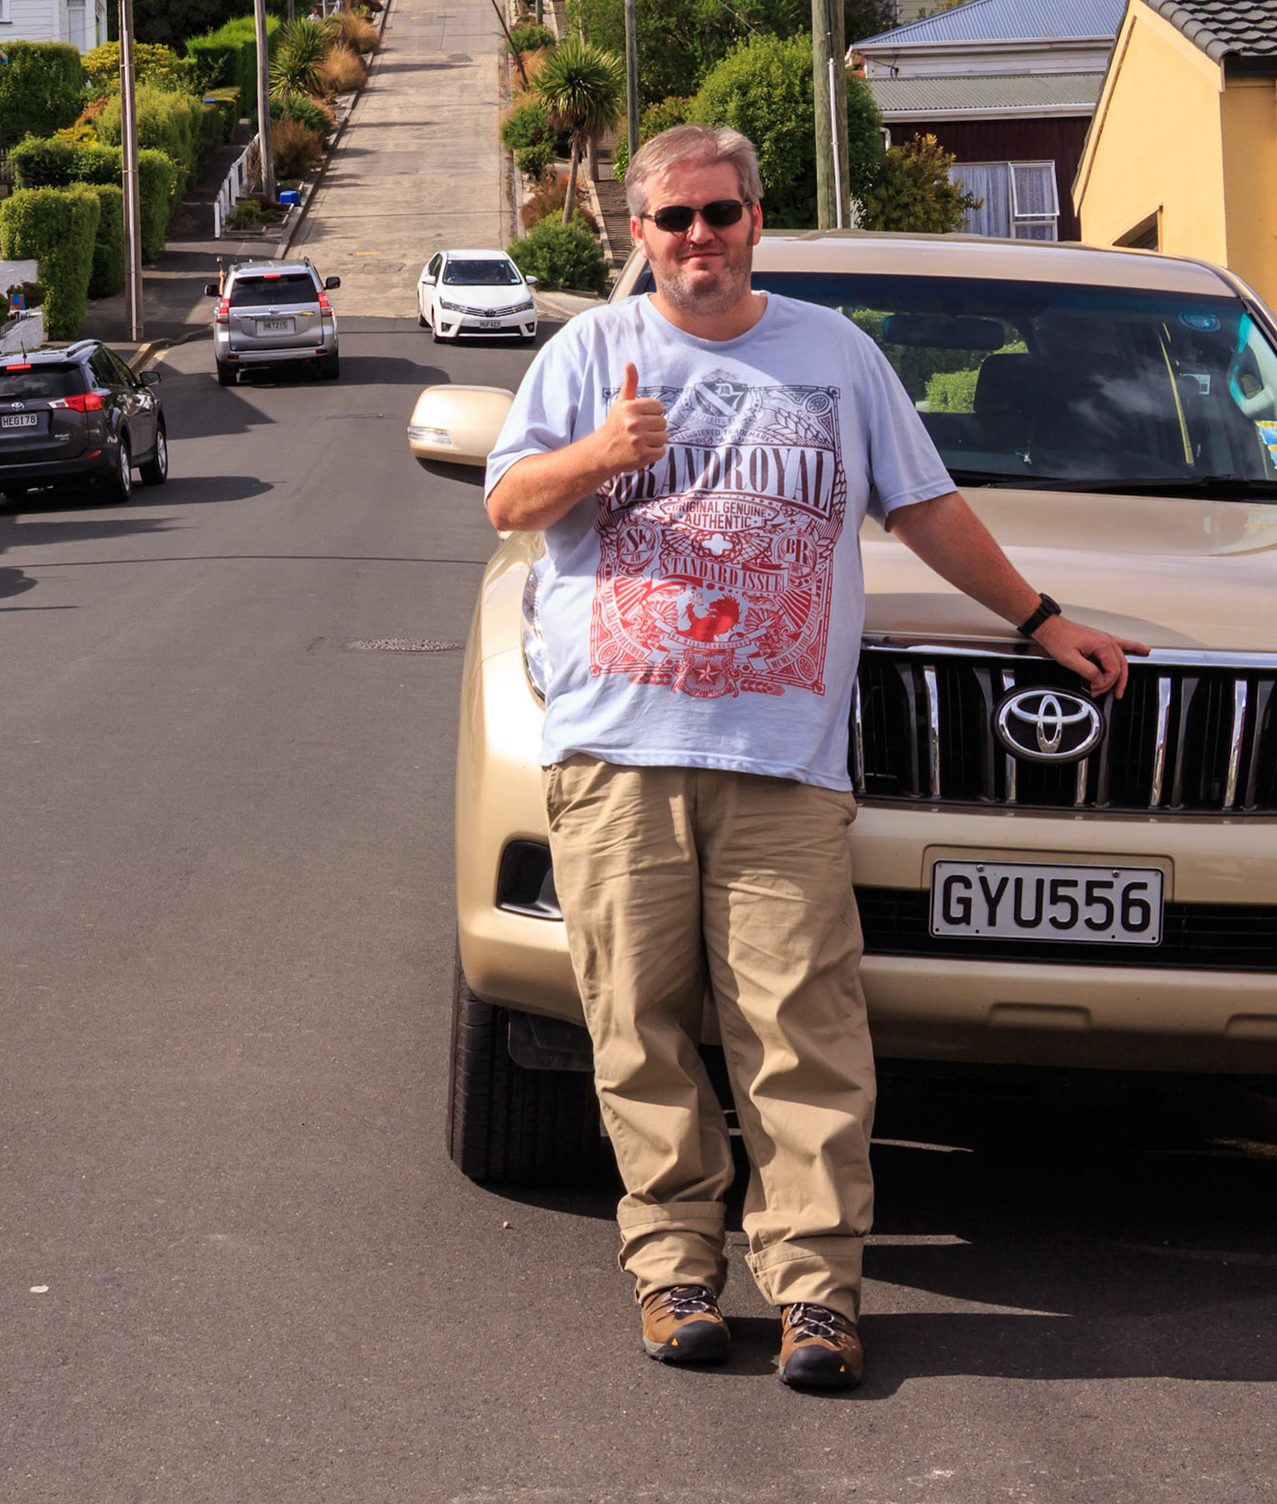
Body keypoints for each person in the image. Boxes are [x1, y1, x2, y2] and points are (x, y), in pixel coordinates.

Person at [484, 125, 1142, 1392]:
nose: (699, 239)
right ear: (639, 233)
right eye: (673, 220)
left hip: (783, 758)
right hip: (616, 754)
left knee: (803, 1030)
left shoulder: (838, 358)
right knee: (637, 1029)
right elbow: (511, 502)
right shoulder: (587, 353)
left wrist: (1039, 618)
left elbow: (926, 506)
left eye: (720, 213)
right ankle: (676, 1271)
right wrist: (597, 457)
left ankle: (817, 1294)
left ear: (755, 218)